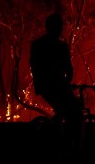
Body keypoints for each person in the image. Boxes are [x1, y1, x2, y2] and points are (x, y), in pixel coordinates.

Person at [29, 12, 84, 150]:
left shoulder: (37, 45)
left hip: (45, 85)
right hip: (55, 85)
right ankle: (71, 143)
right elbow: (68, 69)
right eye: (58, 26)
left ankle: (57, 135)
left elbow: (34, 66)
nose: (59, 29)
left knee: (63, 110)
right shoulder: (60, 46)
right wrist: (65, 82)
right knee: (74, 111)